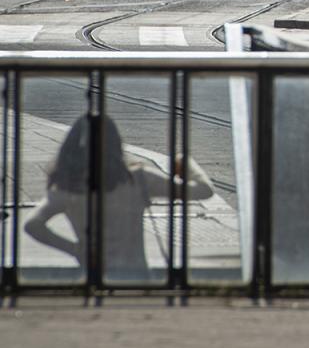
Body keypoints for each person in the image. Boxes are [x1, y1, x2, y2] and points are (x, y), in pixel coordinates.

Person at [25, 114, 215, 281]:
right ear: (115, 142)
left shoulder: (66, 187)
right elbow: (203, 190)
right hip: (137, 275)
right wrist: (185, 161)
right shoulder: (139, 179)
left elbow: (32, 225)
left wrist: (75, 250)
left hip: (93, 274)